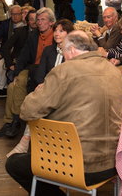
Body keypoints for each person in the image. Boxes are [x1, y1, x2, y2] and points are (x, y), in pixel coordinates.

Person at [6, 31, 122, 196]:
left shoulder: (64, 71)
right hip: (113, 163)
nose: (62, 56)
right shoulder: (113, 70)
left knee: (15, 164)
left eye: (62, 51)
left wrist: (38, 92)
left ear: (71, 50)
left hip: (75, 164)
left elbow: (27, 111)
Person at [6, 19, 74, 158]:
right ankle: (26, 142)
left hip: (66, 93)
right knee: (36, 102)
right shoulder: (49, 50)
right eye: (55, 30)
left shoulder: (73, 53)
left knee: (38, 105)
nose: (56, 34)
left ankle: (25, 142)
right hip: (48, 89)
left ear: (70, 34)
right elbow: (39, 74)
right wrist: (44, 86)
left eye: (61, 31)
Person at [0, 7, 55, 138]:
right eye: (38, 20)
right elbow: (23, 56)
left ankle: (15, 121)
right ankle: (11, 122)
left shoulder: (57, 36)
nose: (39, 22)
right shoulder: (33, 36)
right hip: (32, 68)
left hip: (48, 70)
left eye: (43, 20)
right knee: (12, 86)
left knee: (15, 85)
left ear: (51, 22)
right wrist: (16, 73)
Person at [0, 9, 37, 98]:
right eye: (31, 19)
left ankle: (1, 88)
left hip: (31, 63)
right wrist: (9, 63)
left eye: (36, 19)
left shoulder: (42, 33)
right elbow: (3, 44)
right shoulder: (19, 30)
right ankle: (3, 88)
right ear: (27, 21)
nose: (34, 22)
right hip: (16, 58)